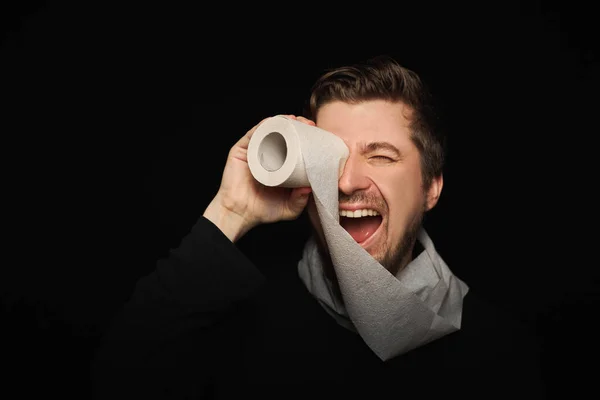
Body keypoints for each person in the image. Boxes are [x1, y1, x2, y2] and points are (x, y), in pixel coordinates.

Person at [91, 56, 546, 399]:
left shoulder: (499, 352)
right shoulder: (241, 321)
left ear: (431, 187)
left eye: (381, 155)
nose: (346, 182)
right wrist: (231, 211)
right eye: (331, 159)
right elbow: (116, 377)